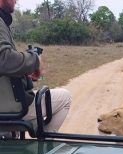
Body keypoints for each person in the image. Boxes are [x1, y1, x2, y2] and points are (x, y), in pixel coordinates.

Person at [0, 0, 71, 133]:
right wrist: (35, 60)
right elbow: (3, 58)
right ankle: (43, 146)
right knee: (65, 98)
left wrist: (24, 73)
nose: (16, 1)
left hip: (6, 103)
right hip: (11, 110)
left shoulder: (4, 22)